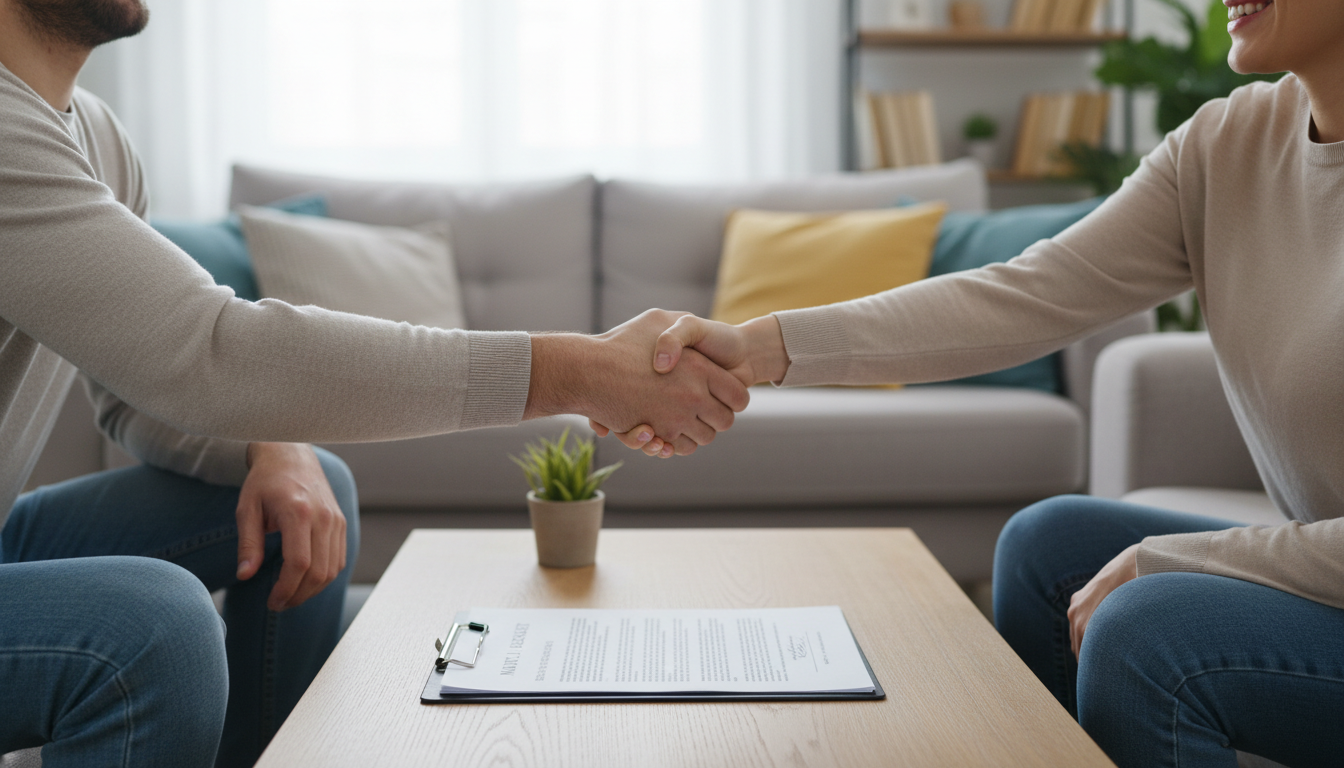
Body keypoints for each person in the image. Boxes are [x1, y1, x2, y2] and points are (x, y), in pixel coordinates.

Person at [0, 1, 748, 766]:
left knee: (310, 484)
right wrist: (577, 372)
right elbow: (210, 349)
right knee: (157, 628)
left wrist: (269, 440)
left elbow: (132, 392)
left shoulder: (96, 135)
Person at [601, 1, 1344, 765]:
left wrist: (1173, 558)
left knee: (1147, 630)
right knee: (1046, 546)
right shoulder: (1226, 145)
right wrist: (754, 349)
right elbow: (1020, 296)